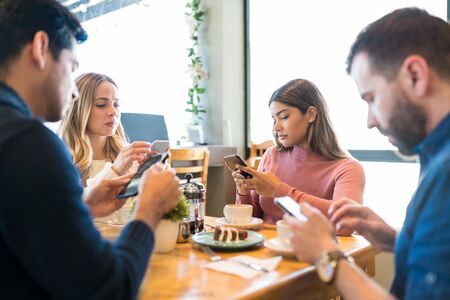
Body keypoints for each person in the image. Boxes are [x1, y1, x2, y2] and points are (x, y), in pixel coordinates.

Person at [0, 1, 180, 299]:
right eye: (71, 68)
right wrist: (150, 209)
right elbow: (109, 289)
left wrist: (82, 206)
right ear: (41, 48)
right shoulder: (31, 146)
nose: (73, 91)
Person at [285, 8, 450, 300]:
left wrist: (328, 255)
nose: (370, 121)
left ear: (415, 75)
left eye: (371, 98)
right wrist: (396, 240)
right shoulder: (435, 155)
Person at [233, 79, 365, 234]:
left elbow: (346, 224)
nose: (276, 127)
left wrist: (279, 190)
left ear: (311, 114)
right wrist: (243, 192)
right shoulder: (271, 156)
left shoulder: (348, 168)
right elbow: (253, 218)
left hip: (313, 255)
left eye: (284, 116)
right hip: (264, 251)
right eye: (274, 119)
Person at [59, 72, 151, 223]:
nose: (113, 112)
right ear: (80, 109)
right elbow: (70, 213)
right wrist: (114, 170)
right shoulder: (62, 161)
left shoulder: (130, 159)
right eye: (101, 104)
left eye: (116, 104)